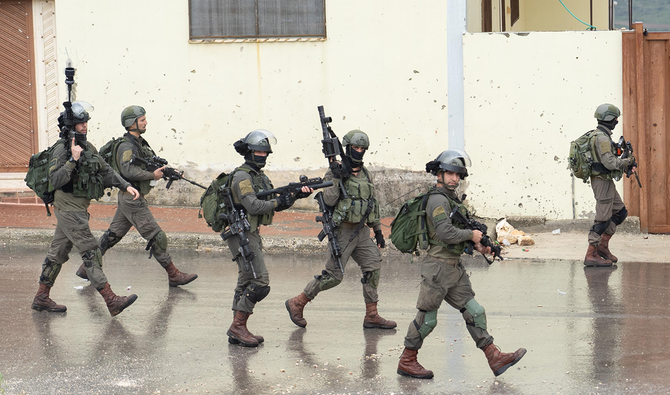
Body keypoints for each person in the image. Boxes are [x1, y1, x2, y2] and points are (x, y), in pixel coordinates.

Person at [396, 149, 526, 379]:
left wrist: (479, 244)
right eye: (449, 173)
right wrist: (471, 235)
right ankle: (407, 360)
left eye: (457, 175)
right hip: (437, 268)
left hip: (453, 268)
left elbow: (460, 234)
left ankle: (494, 357)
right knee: (427, 319)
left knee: (475, 311)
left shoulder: (451, 199)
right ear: (439, 174)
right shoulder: (437, 200)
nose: (454, 179)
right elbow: (445, 233)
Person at [32, 102, 141, 316]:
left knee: (57, 253)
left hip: (77, 209)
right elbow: (55, 179)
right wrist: (72, 160)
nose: (85, 126)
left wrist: (125, 185)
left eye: (85, 122)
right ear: (71, 126)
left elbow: (105, 169)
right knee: (91, 252)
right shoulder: (62, 149)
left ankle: (41, 297)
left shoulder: (87, 147)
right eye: (80, 123)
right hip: (68, 210)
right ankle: (111, 300)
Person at [74, 105, 197, 287]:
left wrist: (170, 172)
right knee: (156, 236)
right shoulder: (126, 145)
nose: (146, 122)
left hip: (129, 197)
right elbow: (127, 170)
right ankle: (173, 274)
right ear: (131, 123)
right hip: (132, 197)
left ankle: (86, 267)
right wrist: (152, 176)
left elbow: (150, 164)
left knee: (112, 236)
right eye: (142, 120)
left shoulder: (139, 143)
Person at [285, 130, 396, 331]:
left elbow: (372, 203)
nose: (359, 151)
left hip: (361, 232)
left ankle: (371, 315)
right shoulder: (334, 172)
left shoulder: (365, 173)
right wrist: (336, 178)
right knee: (333, 277)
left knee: (373, 266)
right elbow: (329, 200)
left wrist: (377, 230)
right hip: (342, 231)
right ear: (347, 148)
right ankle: (298, 302)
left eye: (363, 149)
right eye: (355, 148)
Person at [226, 129, 312, 347]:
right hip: (240, 232)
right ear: (250, 152)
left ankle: (238, 328)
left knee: (245, 280)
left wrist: (295, 195)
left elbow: (273, 201)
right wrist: (279, 202)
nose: (263, 156)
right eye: (259, 152)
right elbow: (254, 206)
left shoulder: (258, 176)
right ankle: (238, 326)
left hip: (249, 232)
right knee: (260, 282)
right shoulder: (242, 176)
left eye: (266, 153)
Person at [583, 104, 636, 267]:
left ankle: (603, 247)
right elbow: (610, 162)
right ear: (608, 119)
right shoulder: (602, 138)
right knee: (603, 219)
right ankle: (591, 254)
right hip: (601, 181)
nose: (617, 121)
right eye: (615, 118)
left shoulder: (601, 135)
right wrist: (628, 162)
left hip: (606, 180)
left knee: (620, 212)